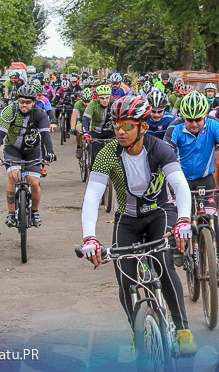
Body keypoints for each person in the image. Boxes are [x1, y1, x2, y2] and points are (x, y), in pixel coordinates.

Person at [79, 95, 198, 356]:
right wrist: (90, 238)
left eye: (127, 125)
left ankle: (182, 329)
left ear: (143, 127)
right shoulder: (108, 154)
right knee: (124, 278)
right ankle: (137, 331)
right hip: (128, 218)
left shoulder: (159, 149)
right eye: (116, 125)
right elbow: (92, 196)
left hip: (160, 213)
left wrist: (183, 220)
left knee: (164, 266)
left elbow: (180, 186)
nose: (120, 131)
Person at [163, 91, 219, 284]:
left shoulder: (214, 125)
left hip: (205, 179)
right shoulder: (174, 128)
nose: (193, 124)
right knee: (178, 216)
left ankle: (214, 266)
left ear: (205, 116)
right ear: (183, 117)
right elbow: (165, 156)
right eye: (189, 120)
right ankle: (178, 246)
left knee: (212, 221)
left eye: (198, 119)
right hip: (181, 180)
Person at [0, 84, 55, 229]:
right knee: (14, 177)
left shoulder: (40, 113)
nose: (24, 105)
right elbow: (0, 135)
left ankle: (35, 211)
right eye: (21, 101)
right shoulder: (10, 111)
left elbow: (46, 135)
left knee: (34, 181)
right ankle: (11, 213)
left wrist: (50, 152)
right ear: (17, 101)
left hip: (33, 149)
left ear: (33, 102)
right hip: (13, 148)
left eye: (28, 102)